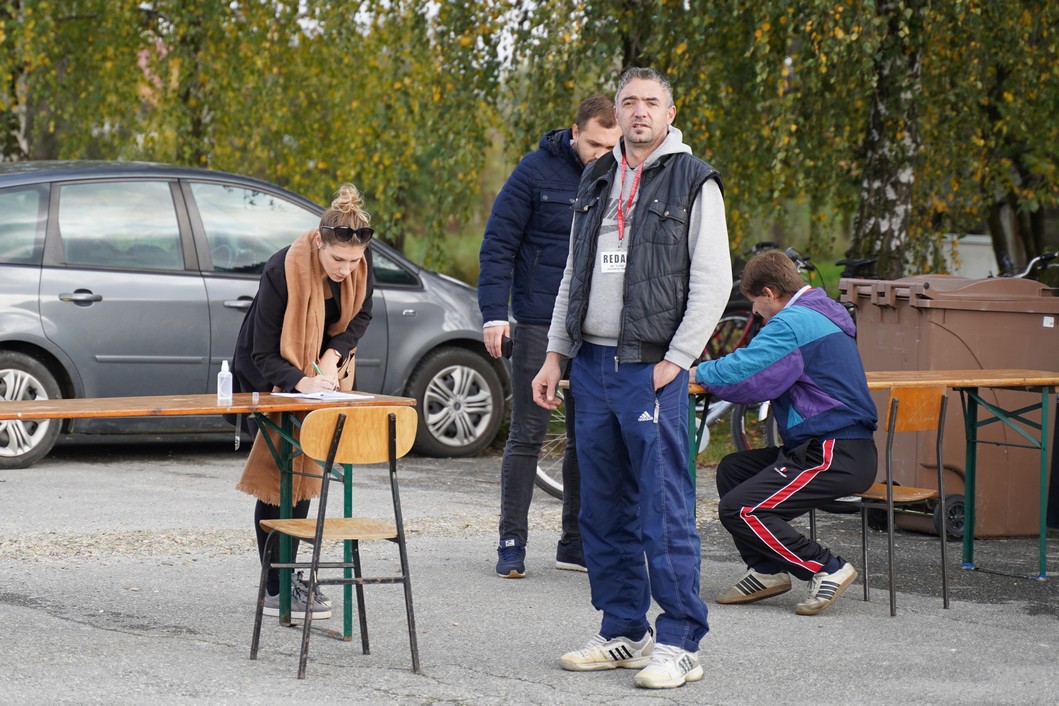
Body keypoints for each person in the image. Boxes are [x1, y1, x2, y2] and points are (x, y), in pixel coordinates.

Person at [532, 67, 732, 690]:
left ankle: (679, 642)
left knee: (663, 506)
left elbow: (714, 280)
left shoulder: (695, 181)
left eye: (651, 102)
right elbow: (573, 274)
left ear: (670, 114)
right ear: (616, 113)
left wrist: (678, 359)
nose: (639, 111)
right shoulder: (595, 178)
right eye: (629, 102)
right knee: (601, 505)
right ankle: (622, 630)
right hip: (589, 365)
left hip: (650, 367)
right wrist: (554, 355)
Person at [478, 95, 622, 578]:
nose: (603, 154)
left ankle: (574, 542)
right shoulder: (534, 172)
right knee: (528, 432)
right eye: (595, 143)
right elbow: (498, 244)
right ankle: (511, 541)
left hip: (595, 323)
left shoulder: (622, 172)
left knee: (588, 434)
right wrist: (495, 313)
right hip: (539, 318)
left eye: (612, 145)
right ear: (574, 131)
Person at [694, 249, 878, 616]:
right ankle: (766, 571)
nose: (755, 313)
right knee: (734, 469)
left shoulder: (795, 322)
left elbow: (745, 371)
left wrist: (695, 373)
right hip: (828, 447)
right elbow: (762, 381)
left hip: (833, 451)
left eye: (754, 304)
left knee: (742, 509)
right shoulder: (817, 313)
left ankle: (826, 567)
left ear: (768, 293)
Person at [232, 183, 375, 621]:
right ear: (319, 242)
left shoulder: (359, 268)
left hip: (318, 378)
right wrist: (301, 381)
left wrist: (332, 357)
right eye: (337, 260)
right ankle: (275, 585)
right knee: (280, 480)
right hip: (266, 376)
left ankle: (292, 575)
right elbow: (261, 353)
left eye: (354, 262)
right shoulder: (282, 270)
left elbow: (362, 316)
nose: (346, 270)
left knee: (307, 471)